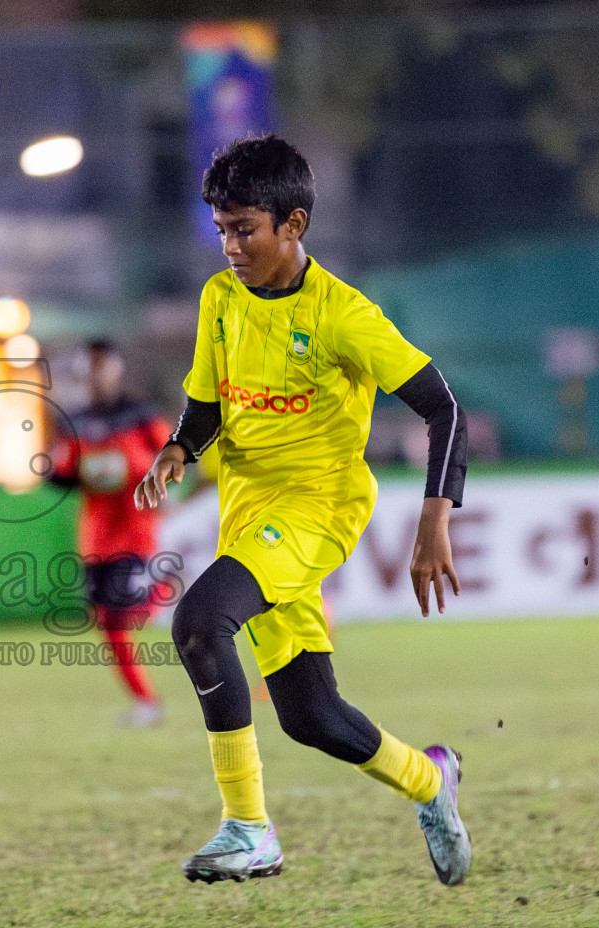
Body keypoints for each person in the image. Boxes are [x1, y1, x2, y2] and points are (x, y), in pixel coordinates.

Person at [135, 135, 472, 886]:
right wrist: (177, 452)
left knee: (198, 622)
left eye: (244, 228)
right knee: (310, 715)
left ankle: (248, 828)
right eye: (221, 229)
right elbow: (204, 405)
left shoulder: (344, 316)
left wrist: (434, 519)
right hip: (249, 513)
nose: (229, 245)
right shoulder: (219, 299)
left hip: (318, 508)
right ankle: (429, 779)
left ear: (293, 224)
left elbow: (443, 409)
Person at [48, 338, 173, 727]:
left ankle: (165, 595)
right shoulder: (77, 421)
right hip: (97, 538)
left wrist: (131, 466)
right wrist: (60, 469)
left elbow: (172, 459)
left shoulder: (141, 415)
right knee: (108, 622)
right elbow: (62, 475)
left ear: (116, 369)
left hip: (135, 532)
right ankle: (146, 702)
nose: (96, 376)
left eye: (102, 366)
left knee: (121, 614)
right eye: (90, 368)